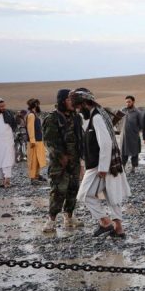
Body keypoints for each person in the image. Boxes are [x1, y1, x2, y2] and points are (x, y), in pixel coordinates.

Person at [73, 88, 131, 238]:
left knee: (85, 195)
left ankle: (105, 222)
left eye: (78, 106)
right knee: (112, 196)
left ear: (85, 103)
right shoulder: (96, 115)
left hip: (100, 165)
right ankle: (119, 229)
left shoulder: (97, 117)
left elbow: (105, 143)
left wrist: (103, 168)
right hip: (107, 163)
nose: (78, 109)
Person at [42, 89, 84, 232]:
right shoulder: (52, 118)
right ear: (62, 101)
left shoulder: (76, 117)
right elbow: (49, 142)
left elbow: (80, 137)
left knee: (73, 189)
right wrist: (61, 156)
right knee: (58, 191)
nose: (73, 102)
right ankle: (51, 220)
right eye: (70, 99)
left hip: (75, 160)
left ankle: (69, 217)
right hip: (59, 162)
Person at [25, 98, 47, 183]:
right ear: (35, 105)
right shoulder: (31, 115)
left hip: (39, 140)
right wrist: (32, 141)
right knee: (33, 160)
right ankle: (32, 177)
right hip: (34, 141)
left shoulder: (34, 114)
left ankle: (37, 175)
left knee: (38, 159)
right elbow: (30, 129)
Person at [120, 95, 142, 173]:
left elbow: (141, 125)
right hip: (124, 136)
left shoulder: (137, 112)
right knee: (123, 152)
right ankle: (122, 167)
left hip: (134, 136)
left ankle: (133, 168)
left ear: (133, 102)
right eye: (126, 102)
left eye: (129, 102)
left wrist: (136, 131)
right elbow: (117, 121)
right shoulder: (122, 111)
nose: (127, 103)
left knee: (134, 152)